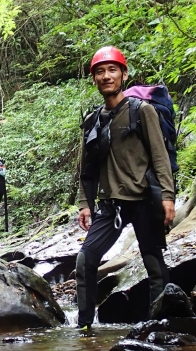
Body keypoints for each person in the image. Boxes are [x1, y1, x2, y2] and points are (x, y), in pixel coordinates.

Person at [75, 46, 175, 330]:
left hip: (144, 199)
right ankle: (84, 326)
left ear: (124, 74)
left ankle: (160, 325)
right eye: (100, 72)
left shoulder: (141, 111)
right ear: (94, 78)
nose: (106, 76)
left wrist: (167, 196)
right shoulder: (92, 120)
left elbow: (160, 156)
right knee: (85, 261)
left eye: (112, 70)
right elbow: (87, 169)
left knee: (154, 263)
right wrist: (85, 203)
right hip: (110, 205)